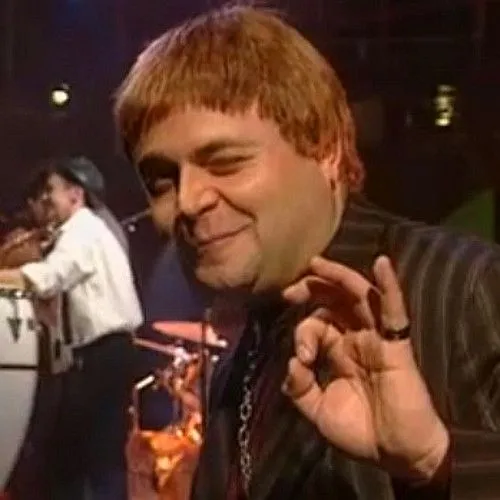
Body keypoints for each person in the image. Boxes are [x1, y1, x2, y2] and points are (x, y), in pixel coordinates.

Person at [114, 5, 500, 500]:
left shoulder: (463, 288)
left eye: (226, 162)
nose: (188, 201)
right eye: (161, 182)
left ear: (325, 149)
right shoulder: (247, 349)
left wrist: (436, 460)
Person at [0, 157, 143, 500]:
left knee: (90, 455)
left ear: (75, 194)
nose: (46, 199)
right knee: (87, 455)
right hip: (104, 353)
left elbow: (50, 277)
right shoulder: (88, 230)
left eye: (51, 191)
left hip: (102, 355)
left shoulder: (82, 230)